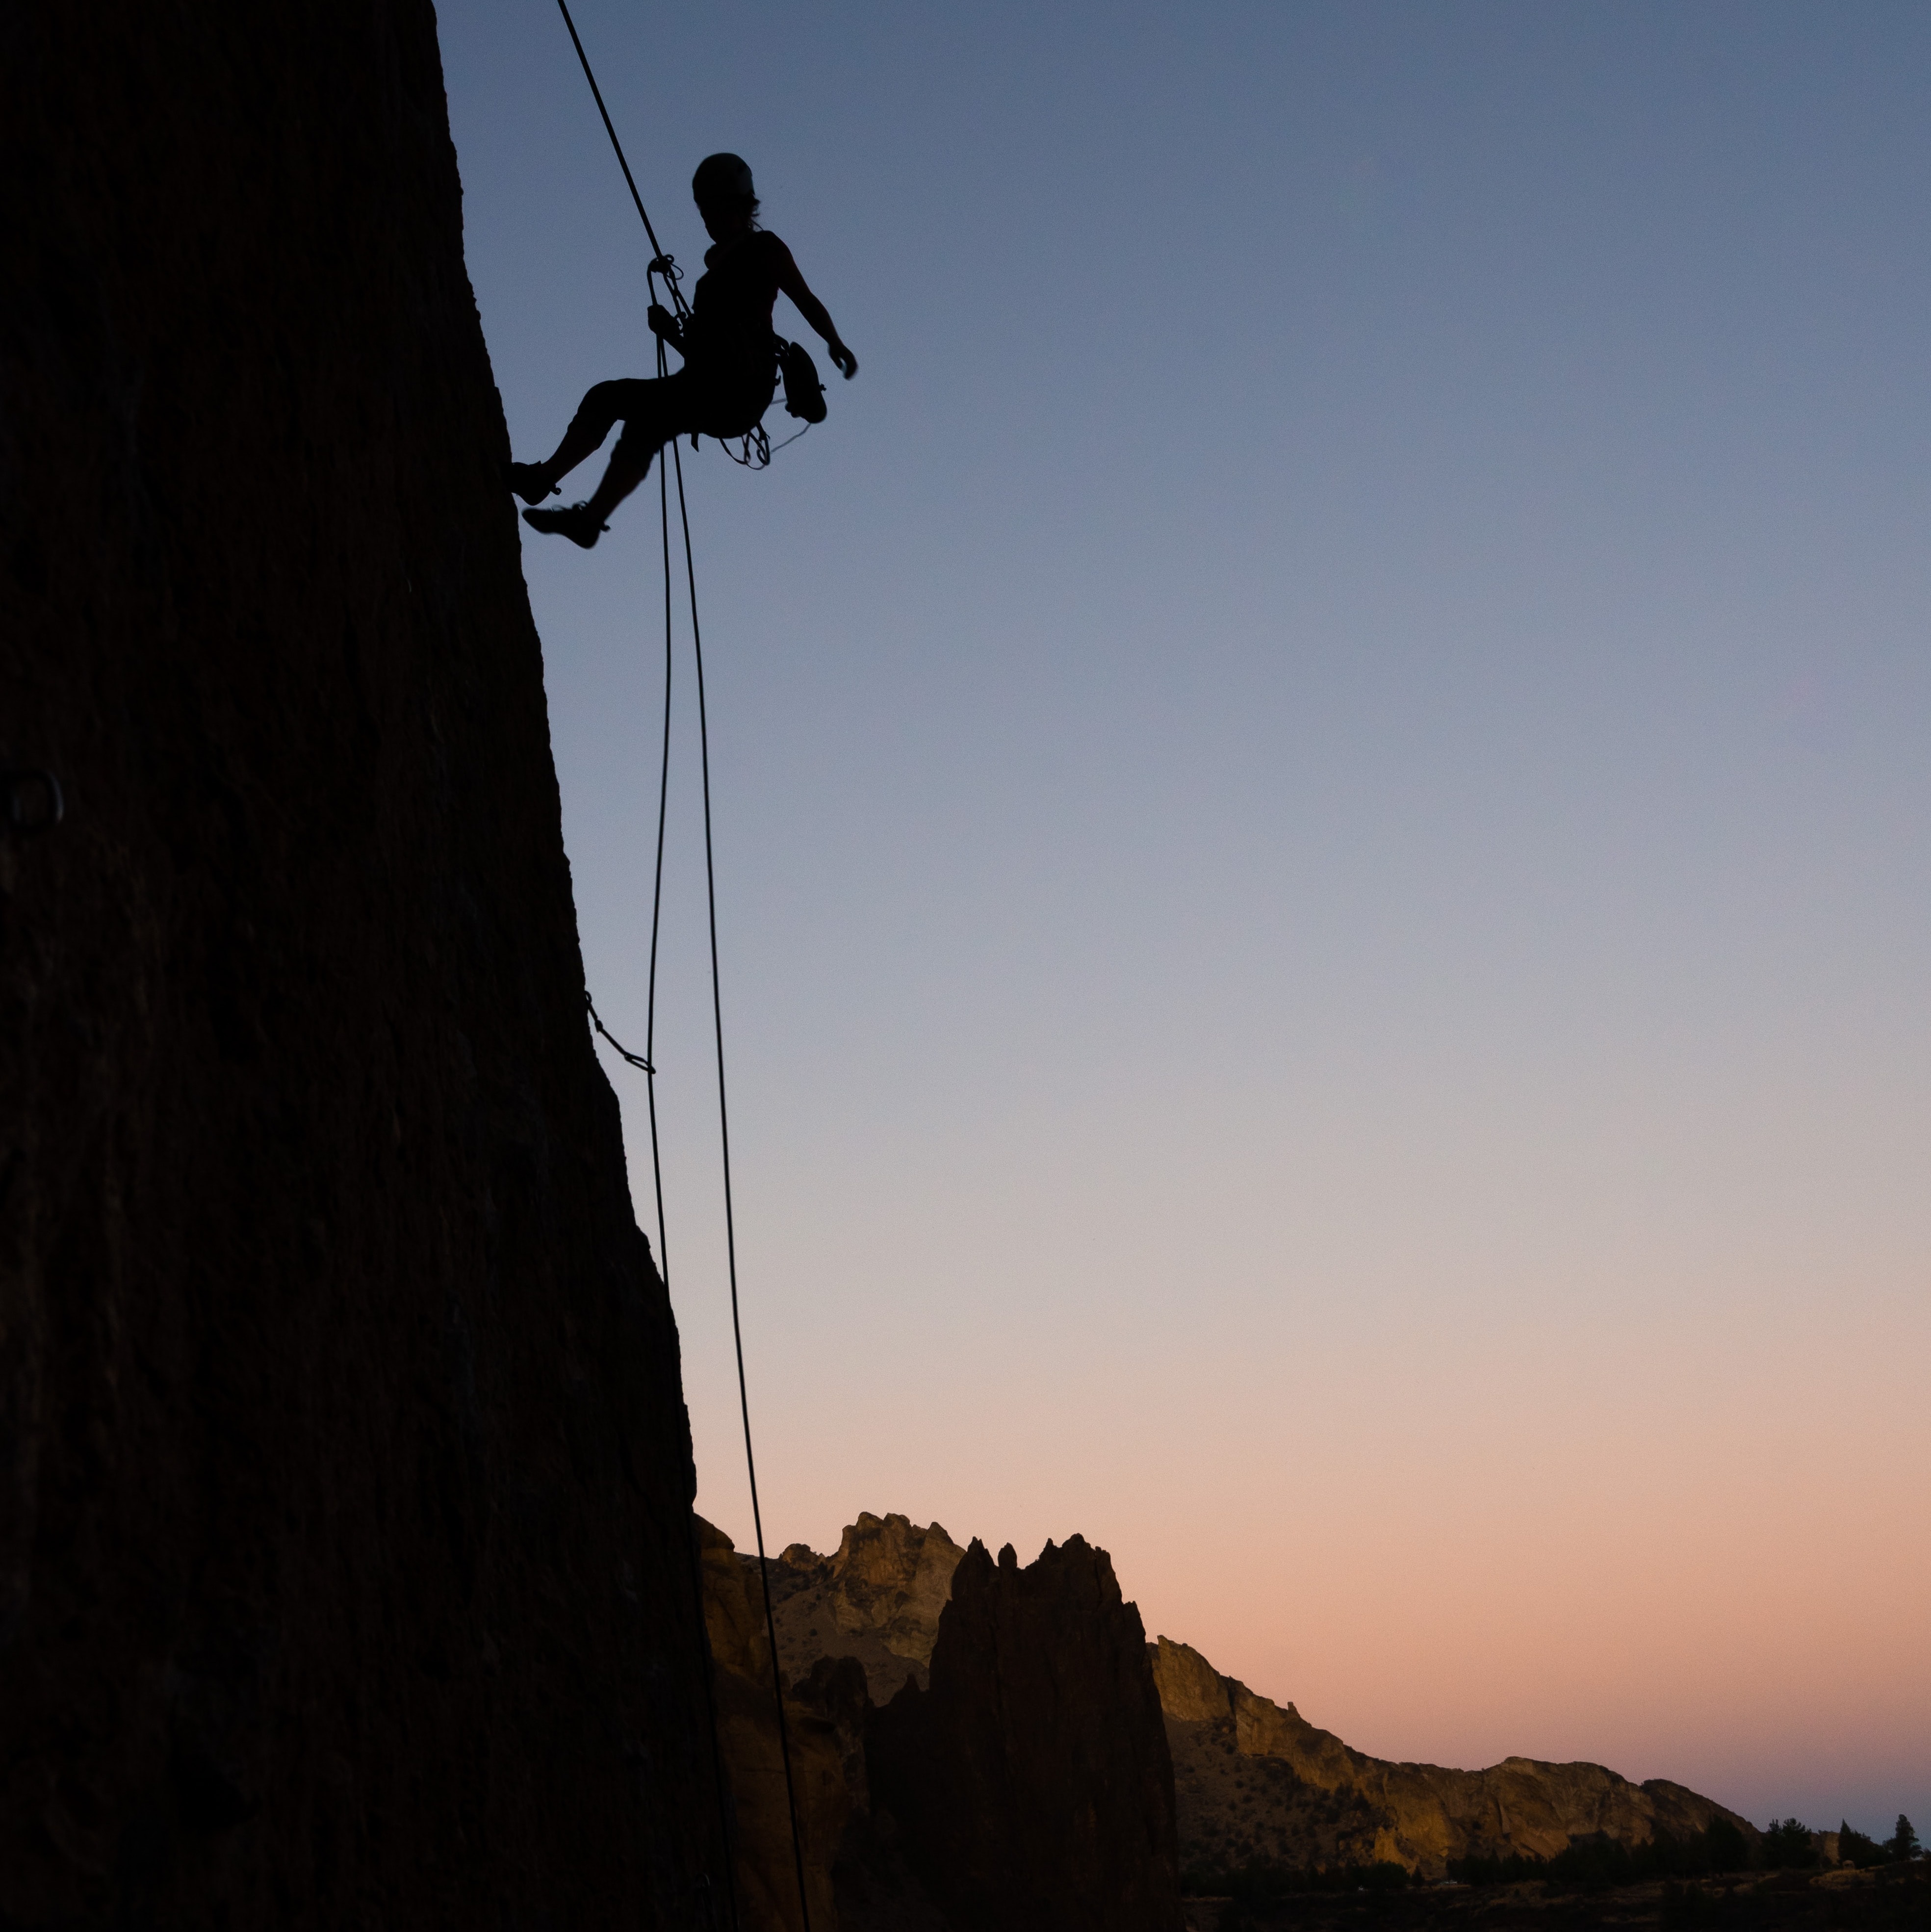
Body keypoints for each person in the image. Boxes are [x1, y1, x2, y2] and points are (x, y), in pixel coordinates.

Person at [508, 153, 857, 549]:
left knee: (644, 420)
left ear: (740, 206)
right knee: (608, 399)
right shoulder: (710, 274)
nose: (707, 218)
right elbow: (704, 355)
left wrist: (834, 340)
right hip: (711, 384)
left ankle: (581, 514)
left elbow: (804, 298)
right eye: (704, 210)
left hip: (738, 389)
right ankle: (549, 485)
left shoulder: (765, 248)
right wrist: (670, 332)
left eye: (715, 208)